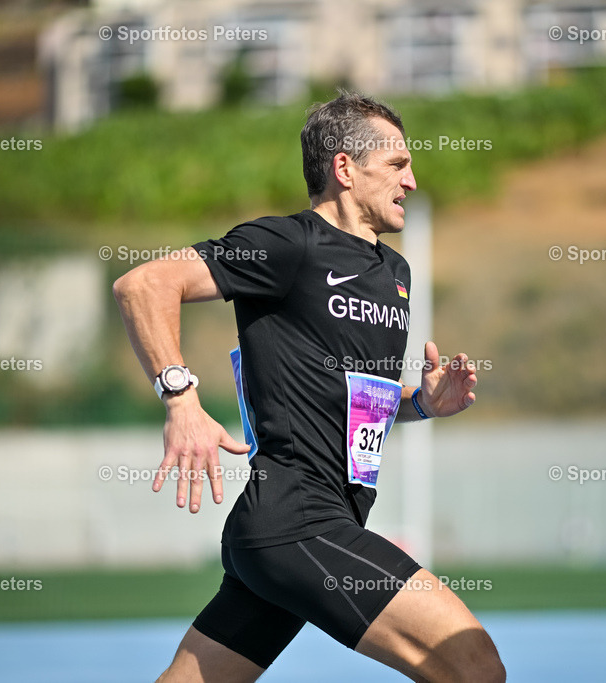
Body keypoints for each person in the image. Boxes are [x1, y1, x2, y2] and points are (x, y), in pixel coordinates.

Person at [113, 91, 505, 683]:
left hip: (305, 529)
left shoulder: (394, 272)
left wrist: (421, 403)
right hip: (298, 520)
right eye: (398, 165)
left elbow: (350, 399)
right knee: (474, 666)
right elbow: (144, 284)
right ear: (345, 168)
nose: (413, 181)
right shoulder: (288, 244)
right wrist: (181, 399)